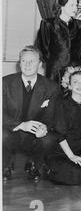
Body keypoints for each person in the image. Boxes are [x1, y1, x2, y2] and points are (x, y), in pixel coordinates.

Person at [3, 46, 60, 181]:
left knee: (49, 139)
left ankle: (34, 163)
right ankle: (5, 164)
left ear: (40, 64)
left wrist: (44, 127)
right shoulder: (4, 83)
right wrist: (21, 125)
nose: (27, 65)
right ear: (19, 63)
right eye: (24, 61)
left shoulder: (51, 87)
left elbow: (51, 116)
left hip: (34, 135)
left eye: (32, 61)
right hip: (12, 131)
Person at [45, 67, 81, 185]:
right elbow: (59, 135)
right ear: (69, 86)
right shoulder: (61, 104)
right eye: (75, 82)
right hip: (61, 151)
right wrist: (72, 157)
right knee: (72, 171)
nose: (79, 85)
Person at [35, 0, 81, 84]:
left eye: (76, 5)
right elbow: (43, 49)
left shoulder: (80, 25)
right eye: (72, 5)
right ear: (62, 5)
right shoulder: (48, 23)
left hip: (74, 73)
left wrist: (74, 66)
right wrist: (55, 63)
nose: (75, 8)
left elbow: (79, 51)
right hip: (54, 72)